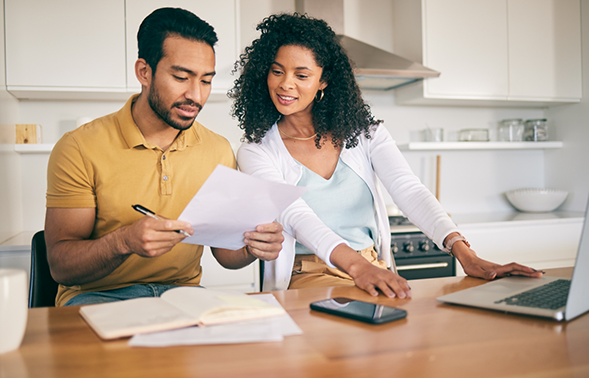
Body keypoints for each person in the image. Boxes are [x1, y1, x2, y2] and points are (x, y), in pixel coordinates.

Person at [229, 13, 542, 298]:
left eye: (301, 75)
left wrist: (466, 255)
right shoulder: (256, 151)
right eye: (277, 71)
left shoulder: (365, 134)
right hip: (310, 275)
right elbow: (296, 216)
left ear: (323, 81)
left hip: (372, 265)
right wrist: (357, 268)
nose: (286, 84)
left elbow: (409, 191)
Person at [45, 7, 283, 307]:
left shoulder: (218, 150)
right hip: (97, 297)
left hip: (184, 297)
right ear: (144, 72)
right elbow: (60, 266)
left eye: (206, 81)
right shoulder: (79, 147)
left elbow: (225, 255)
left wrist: (254, 246)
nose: (196, 95)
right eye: (181, 77)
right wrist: (124, 242)